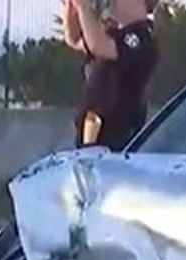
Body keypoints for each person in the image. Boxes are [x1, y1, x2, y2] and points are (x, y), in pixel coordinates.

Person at [62, 0, 160, 150]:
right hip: (91, 139)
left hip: (116, 141)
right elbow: (75, 40)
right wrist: (71, 8)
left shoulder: (142, 37)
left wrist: (83, 7)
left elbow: (98, 46)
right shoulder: (115, 35)